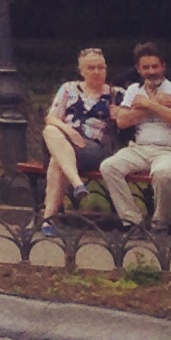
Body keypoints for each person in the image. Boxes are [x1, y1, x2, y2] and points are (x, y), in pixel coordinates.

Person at [100, 42, 171, 229]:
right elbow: (122, 121)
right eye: (146, 67)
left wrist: (149, 104)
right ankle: (132, 222)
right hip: (139, 149)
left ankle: (159, 225)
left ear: (163, 66)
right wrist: (156, 104)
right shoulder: (134, 91)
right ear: (138, 69)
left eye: (155, 66)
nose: (151, 71)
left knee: (162, 173)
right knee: (109, 167)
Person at [37, 47, 122, 230]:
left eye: (101, 67)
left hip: (94, 148)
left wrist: (121, 114)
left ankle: (48, 219)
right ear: (81, 70)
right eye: (91, 68)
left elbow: (134, 114)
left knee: (56, 160)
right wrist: (69, 131)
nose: (97, 72)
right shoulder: (68, 89)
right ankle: (76, 184)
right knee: (51, 132)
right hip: (65, 142)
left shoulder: (116, 94)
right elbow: (51, 118)